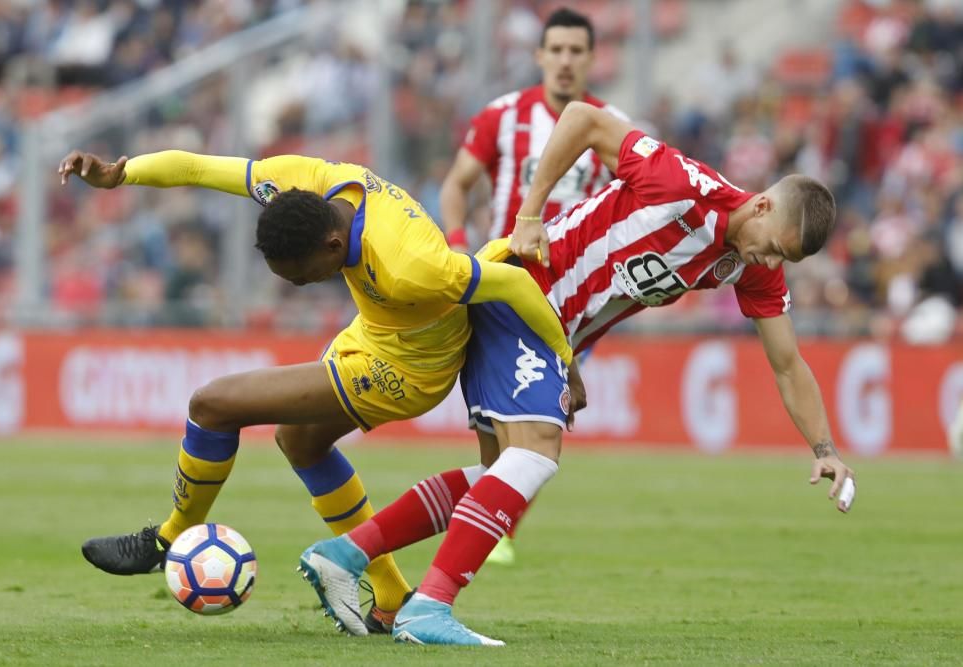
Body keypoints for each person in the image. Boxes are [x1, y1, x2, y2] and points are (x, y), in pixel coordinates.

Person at [297, 101, 857, 646]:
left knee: (499, 471)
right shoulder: (682, 185)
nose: (772, 264)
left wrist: (823, 447)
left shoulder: (746, 268)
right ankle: (430, 606)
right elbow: (583, 119)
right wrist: (530, 214)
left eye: (788, 262)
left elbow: (788, 363)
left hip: (549, 331)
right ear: (761, 207)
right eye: (776, 249)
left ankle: (346, 554)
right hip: (520, 292)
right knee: (537, 451)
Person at [57, 148, 572, 633]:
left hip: (408, 370)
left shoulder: (410, 265)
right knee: (299, 442)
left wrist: (566, 363)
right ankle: (390, 596)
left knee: (211, 405)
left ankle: (167, 540)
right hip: (372, 334)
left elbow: (512, 284)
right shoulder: (307, 183)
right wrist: (120, 174)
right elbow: (195, 169)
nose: (297, 285)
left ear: (332, 246)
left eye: (301, 278)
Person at [439, 5, 626, 565]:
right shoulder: (503, 116)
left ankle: (495, 518)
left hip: (572, 295)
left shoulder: (610, 123)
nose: (566, 61)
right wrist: (455, 243)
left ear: (591, 59)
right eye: (558, 50)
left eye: (577, 51)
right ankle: (495, 518)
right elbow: (457, 185)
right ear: (539, 55)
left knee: (541, 412)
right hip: (502, 279)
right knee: (497, 416)